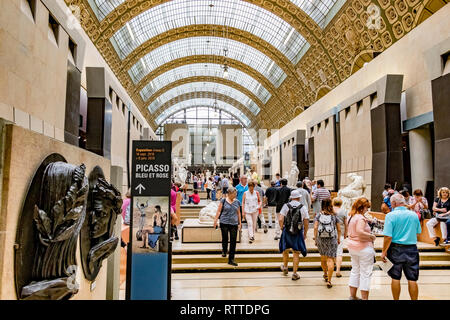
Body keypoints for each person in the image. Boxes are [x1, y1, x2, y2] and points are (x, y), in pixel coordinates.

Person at [381, 193, 421, 300]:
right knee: (412, 279)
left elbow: (388, 236)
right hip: (412, 248)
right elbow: (418, 232)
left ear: (393, 203)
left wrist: (384, 251)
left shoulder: (390, 215)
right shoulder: (413, 215)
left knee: (395, 277)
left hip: (395, 248)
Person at [346, 198, 376, 300]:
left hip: (352, 247)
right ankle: (365, 298)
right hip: (364, 248)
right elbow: (359, 231)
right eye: (366, 207)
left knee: (355, 270)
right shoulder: (360, 218)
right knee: (365, 274)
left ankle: (353, 295)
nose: (367, 210)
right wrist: (371, 236)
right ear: (362, 207)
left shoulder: (351, 216)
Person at [279, 190, 309, 281]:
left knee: (286, 250)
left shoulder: (286, 206)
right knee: (296, 252)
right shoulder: (302, 207)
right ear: (299, 197)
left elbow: (280, 219)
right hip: (298, 231)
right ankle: (295, 273)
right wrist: (305, 233)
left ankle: (285, 267)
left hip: (287, 231)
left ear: (291, 197)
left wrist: (282, 228)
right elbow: (306, 221)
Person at [314, 198, 341, 288]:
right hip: (332, 238)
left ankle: (325, 274)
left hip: (321, 239)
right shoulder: (334, 215)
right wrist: (338, 238)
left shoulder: (318, 215)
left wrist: (315, 238)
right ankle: (329, 280)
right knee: (330, 259)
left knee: (323, 258)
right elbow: (339, 228)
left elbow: (315, 227)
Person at [213, 187, 242, 266]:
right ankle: (224, 250)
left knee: (233, 241)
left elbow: (238, 213)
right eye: (234, 193)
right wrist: (215, 221)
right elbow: (219, 211)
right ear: (230, 194)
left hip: (234, 223)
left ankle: (231, 259)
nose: (236, 195)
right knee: (225, 238)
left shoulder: (237, 202)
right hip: (224, 222)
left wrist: (240, 223)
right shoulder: (223, 200)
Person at [332, 198, 347, 278]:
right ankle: (338, 270)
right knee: (339, 252)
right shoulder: (343, 211)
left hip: (330, 234)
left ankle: (333, 265)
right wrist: (346, 233)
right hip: (340, 234)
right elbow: (346, 224)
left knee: (332, 252)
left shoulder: (330, 210)